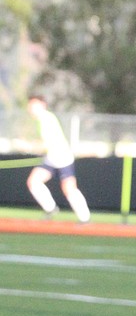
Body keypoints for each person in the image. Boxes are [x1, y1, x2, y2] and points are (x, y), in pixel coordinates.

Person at [26, 95, 90, 224]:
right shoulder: (41, 119)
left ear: (42, 105)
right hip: (52, 157)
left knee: (69, 188)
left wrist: (37, 147)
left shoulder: (46, 118)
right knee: (34, 181)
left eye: (34, 105)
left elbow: (51, 141)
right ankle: (50, 209)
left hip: (61, 156)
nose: (31, 109)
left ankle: (85, 218)